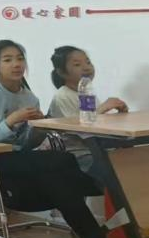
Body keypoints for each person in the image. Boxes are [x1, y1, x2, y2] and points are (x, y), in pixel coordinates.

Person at [0, 40, 140, 238]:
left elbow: (26, 144)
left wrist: (39, 129)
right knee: (62, 161)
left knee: (61, 183)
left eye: (20, 58)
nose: (16, 64)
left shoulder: (29, 96)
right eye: (8, 60)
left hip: (22, 158)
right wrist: (10, 121)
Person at [48, 46, 129, 175]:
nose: (86, 67)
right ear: (62, 72)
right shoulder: (62, 96)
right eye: (77, 64)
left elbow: (98, 123)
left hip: (98, 150)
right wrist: (103, 108)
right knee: (120, 170)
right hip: (79, 155)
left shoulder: (86, 93)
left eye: (88, 62)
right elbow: (80, 128)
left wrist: (120, 115)